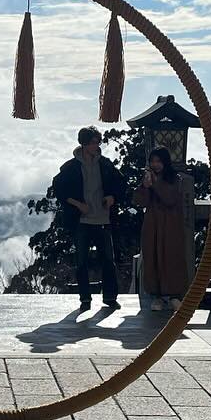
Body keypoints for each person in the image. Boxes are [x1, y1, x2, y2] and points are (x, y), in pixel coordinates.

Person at [53, 124, 127, 311]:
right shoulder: (71, 167)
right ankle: (85, 298)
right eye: (94, 142)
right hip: (82, 221)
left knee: (108, 261)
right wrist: (78, 205)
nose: (97, 145)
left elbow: (120, 184)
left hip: (103, 219)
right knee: (81, 261)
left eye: (98, 142)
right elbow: (58, 189)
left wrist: (112, 197)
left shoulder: (106, 164)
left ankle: (110, 297)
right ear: (84, 144)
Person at [135, 147, 187, 312]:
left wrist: (155, 184)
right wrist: (144, 186)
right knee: (152, 258)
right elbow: (139, 201)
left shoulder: (175, 179)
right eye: (152, 161)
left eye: (158, 161)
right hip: (152, 224)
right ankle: (156, 296)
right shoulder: (149, 178)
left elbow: (170, 198)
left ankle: (174, 296)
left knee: (172, 258)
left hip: (171, 225)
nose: (155, 164)